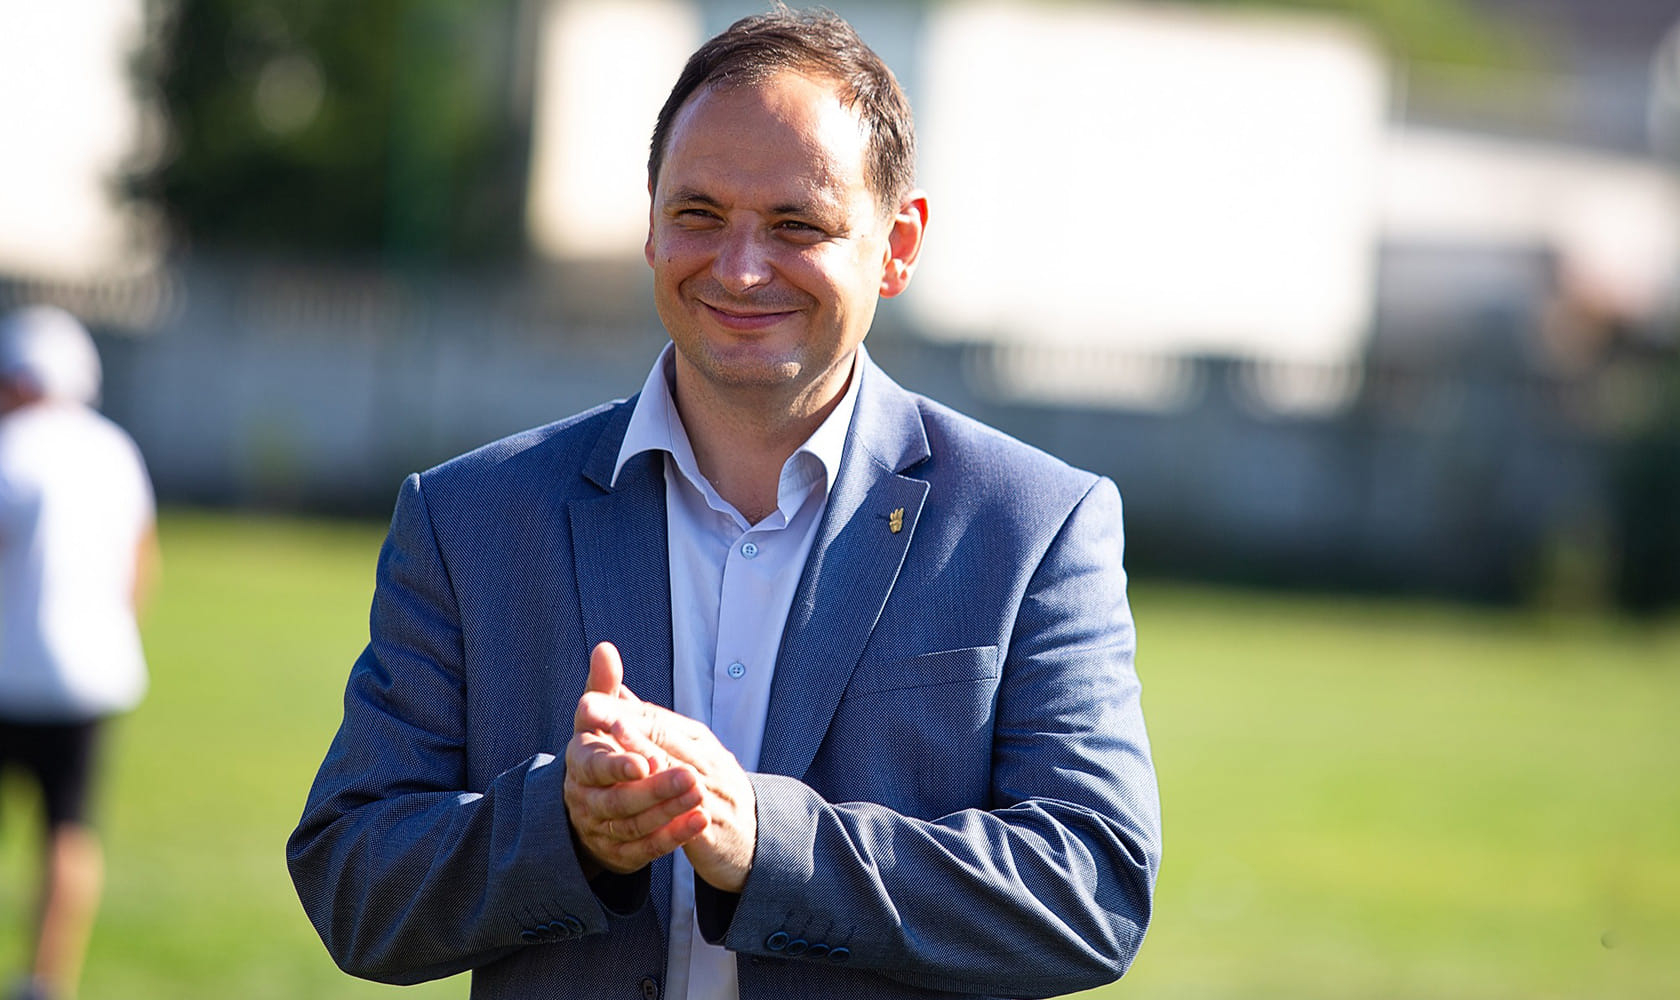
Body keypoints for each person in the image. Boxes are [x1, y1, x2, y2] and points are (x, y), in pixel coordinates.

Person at [288, 8, 1159, 999]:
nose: (739, 268)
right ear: (651, 221)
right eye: (699, 213)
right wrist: (567, 832)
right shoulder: (468, 520)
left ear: (899, 243)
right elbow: (353, 883)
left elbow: (1094, 889)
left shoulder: (1033, 527)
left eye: (797, 224)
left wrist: (767, 843)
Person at [0, 306, 159, 1000]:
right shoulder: (115, 450)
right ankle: (45, 981)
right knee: (68, 828)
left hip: (8, 673)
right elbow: (141, 563)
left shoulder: (10, 448)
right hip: (89, 677)